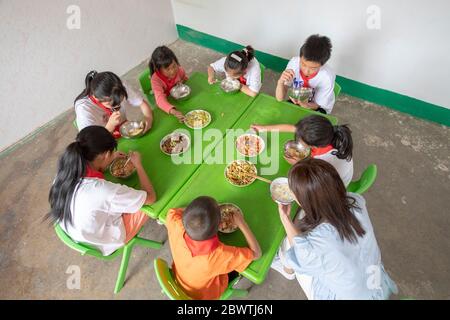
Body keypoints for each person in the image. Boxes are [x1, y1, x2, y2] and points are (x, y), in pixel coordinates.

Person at [271, 158, 398, 299]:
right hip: (375, 284)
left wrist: (285, 218)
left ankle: (282, 265)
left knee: (289, 247)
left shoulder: (316, 244)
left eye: (293, 191)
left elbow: (299, 257)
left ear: (305, 200)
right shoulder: (356, 201)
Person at [47, 126, 157, 256]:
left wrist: (107, 159)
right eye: (110, 154)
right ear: (105, 155)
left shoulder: (67, 169)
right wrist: (138, 165)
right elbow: (150, 198)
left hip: (76, 231)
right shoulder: (104, 191)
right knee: (152, 205)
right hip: (104, 241)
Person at [165, 196, 261, 299]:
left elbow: (172, 212)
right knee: (238, 269)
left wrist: (202, 214)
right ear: (220, 226)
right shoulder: (220, 254)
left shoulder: (175, 224)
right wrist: (242, 223)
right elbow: (256, 254)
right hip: (204, 295)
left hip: (178, 278)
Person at [251, 115, 353, 186]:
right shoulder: (327, 133)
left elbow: (312, 183)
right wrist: (263, 128)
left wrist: (298, 164)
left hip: (331, 188)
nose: (298, 138)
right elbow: (293, 128)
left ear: (313, 146)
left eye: (301, 140)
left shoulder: (323, 163)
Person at [74, 71, 153, 138]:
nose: (117, 106)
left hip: (124, 132)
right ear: (97, 98)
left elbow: (142, 103)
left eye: (120, 102)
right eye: (111, 104)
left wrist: (148, 118)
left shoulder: (117, 87)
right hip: (103, 144)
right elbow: (90, 144)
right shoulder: (84, 110)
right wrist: (109, 127)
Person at [275, 35, 336, 114]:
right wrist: (280, 82)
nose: (306, 71)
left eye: (313, 68)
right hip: (298, 99)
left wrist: (305, 105)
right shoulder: (294, 63)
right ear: (300, 57)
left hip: (318, 107)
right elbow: (279, 99)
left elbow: (318, 105)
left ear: (322, 65)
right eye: (303, 64)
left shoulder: (326, 77)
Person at [149, 46, 188, 122]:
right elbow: (160, 100)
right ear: (158, 69)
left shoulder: (179, 70)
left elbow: (185, 78)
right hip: (166, 104)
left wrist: (182, 82)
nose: (172, 71)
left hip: (179, 100)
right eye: (167, 69)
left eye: (174, 66)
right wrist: (174, 111)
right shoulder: (155, 80)